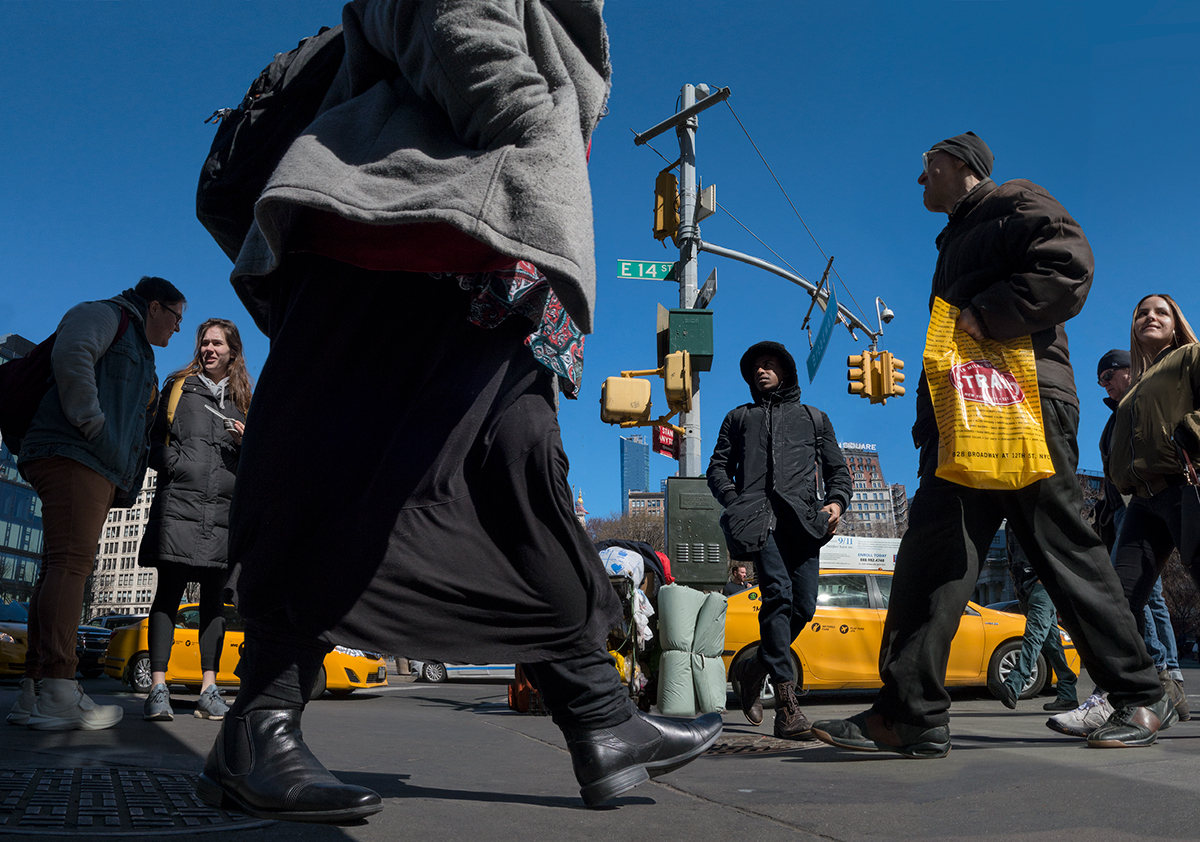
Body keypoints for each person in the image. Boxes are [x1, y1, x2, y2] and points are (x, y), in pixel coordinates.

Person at [194, 0, 720, 822]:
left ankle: (601, 721)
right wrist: (532, 124)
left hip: (489, 272)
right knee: (331, 473)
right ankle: (258, 727)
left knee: (519, 480)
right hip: (404, 230)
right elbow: (448, 16)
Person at [811, 131, 1169, 757]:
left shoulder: (1012, 201)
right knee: (933, 552)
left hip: (1022, 403)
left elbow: (1070, 265)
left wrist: (988, 311)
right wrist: (931, 421)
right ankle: (909, 712)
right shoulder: (957, 236)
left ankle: (1140, 691)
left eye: (927, 170)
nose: (920, 182)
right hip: (966, 415)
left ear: (955, 165)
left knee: (1061, 545)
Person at [6, 277, 185, 731]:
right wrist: (94, 427)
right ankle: (60, 690)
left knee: (55, 567)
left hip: (88, 461)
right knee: (71, 566)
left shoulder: (141, 348)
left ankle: (35, 690)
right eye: (177, 317)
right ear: (156, 306)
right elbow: (73, 355)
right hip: (74, 454)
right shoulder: (107, 314)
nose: (178, 329)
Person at [708, 341, 851, 739]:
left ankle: (754, 668)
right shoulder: (739, 418)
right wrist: (737, 504)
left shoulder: (814, 418)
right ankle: (788, 709)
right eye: (756, 366)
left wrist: (835, 506)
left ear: (785, 371)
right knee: (778, 596)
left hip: (805, 524)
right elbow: (717, 468)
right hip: (758, 522)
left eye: (769, 365)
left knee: (803, 606)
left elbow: (838, 472)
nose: (761, 370)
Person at [1050, 347, 1189, 735]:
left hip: (1166, 499)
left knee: (1143, 600)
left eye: (1109, 376)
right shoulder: (1115, 423)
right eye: (1100, 381)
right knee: (1128, 599)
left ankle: (1161, 677)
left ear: (1130, 371)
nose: (1105, 386)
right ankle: (1146, 686)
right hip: (1133, 512)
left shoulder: (1162, 392)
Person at [138, 319, 251, 723]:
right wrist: (175, 464)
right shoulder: (178, 387)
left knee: (213, 604)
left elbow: (258, 464)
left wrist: (246, 443)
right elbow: (149, 438)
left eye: (217, 343)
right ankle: (157, 687)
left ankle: (208, 689)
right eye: (204, 342)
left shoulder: (244, 400)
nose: (209, 349)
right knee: (167, 595)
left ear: (232, 351)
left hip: (223, 514)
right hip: (179, 505)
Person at [1106, 295, 1200, 730]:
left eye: (1160, 311)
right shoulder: (1136, 385)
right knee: (1119, 601)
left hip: (1185, 484)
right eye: (1141, 311)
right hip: (1141, 502)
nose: (1149, 317)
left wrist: (1191, 429)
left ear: (1175, 321)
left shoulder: (1189, 357)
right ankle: (1132, 697)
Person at [993, 531, 1077, 712]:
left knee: (1034, 636)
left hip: (1042, 586)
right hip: (1024, 587)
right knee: (1051, 644)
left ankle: (1014, 685)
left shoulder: (1036, 510)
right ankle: (1068, 693)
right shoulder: (1010, 522)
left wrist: (1045, 577)